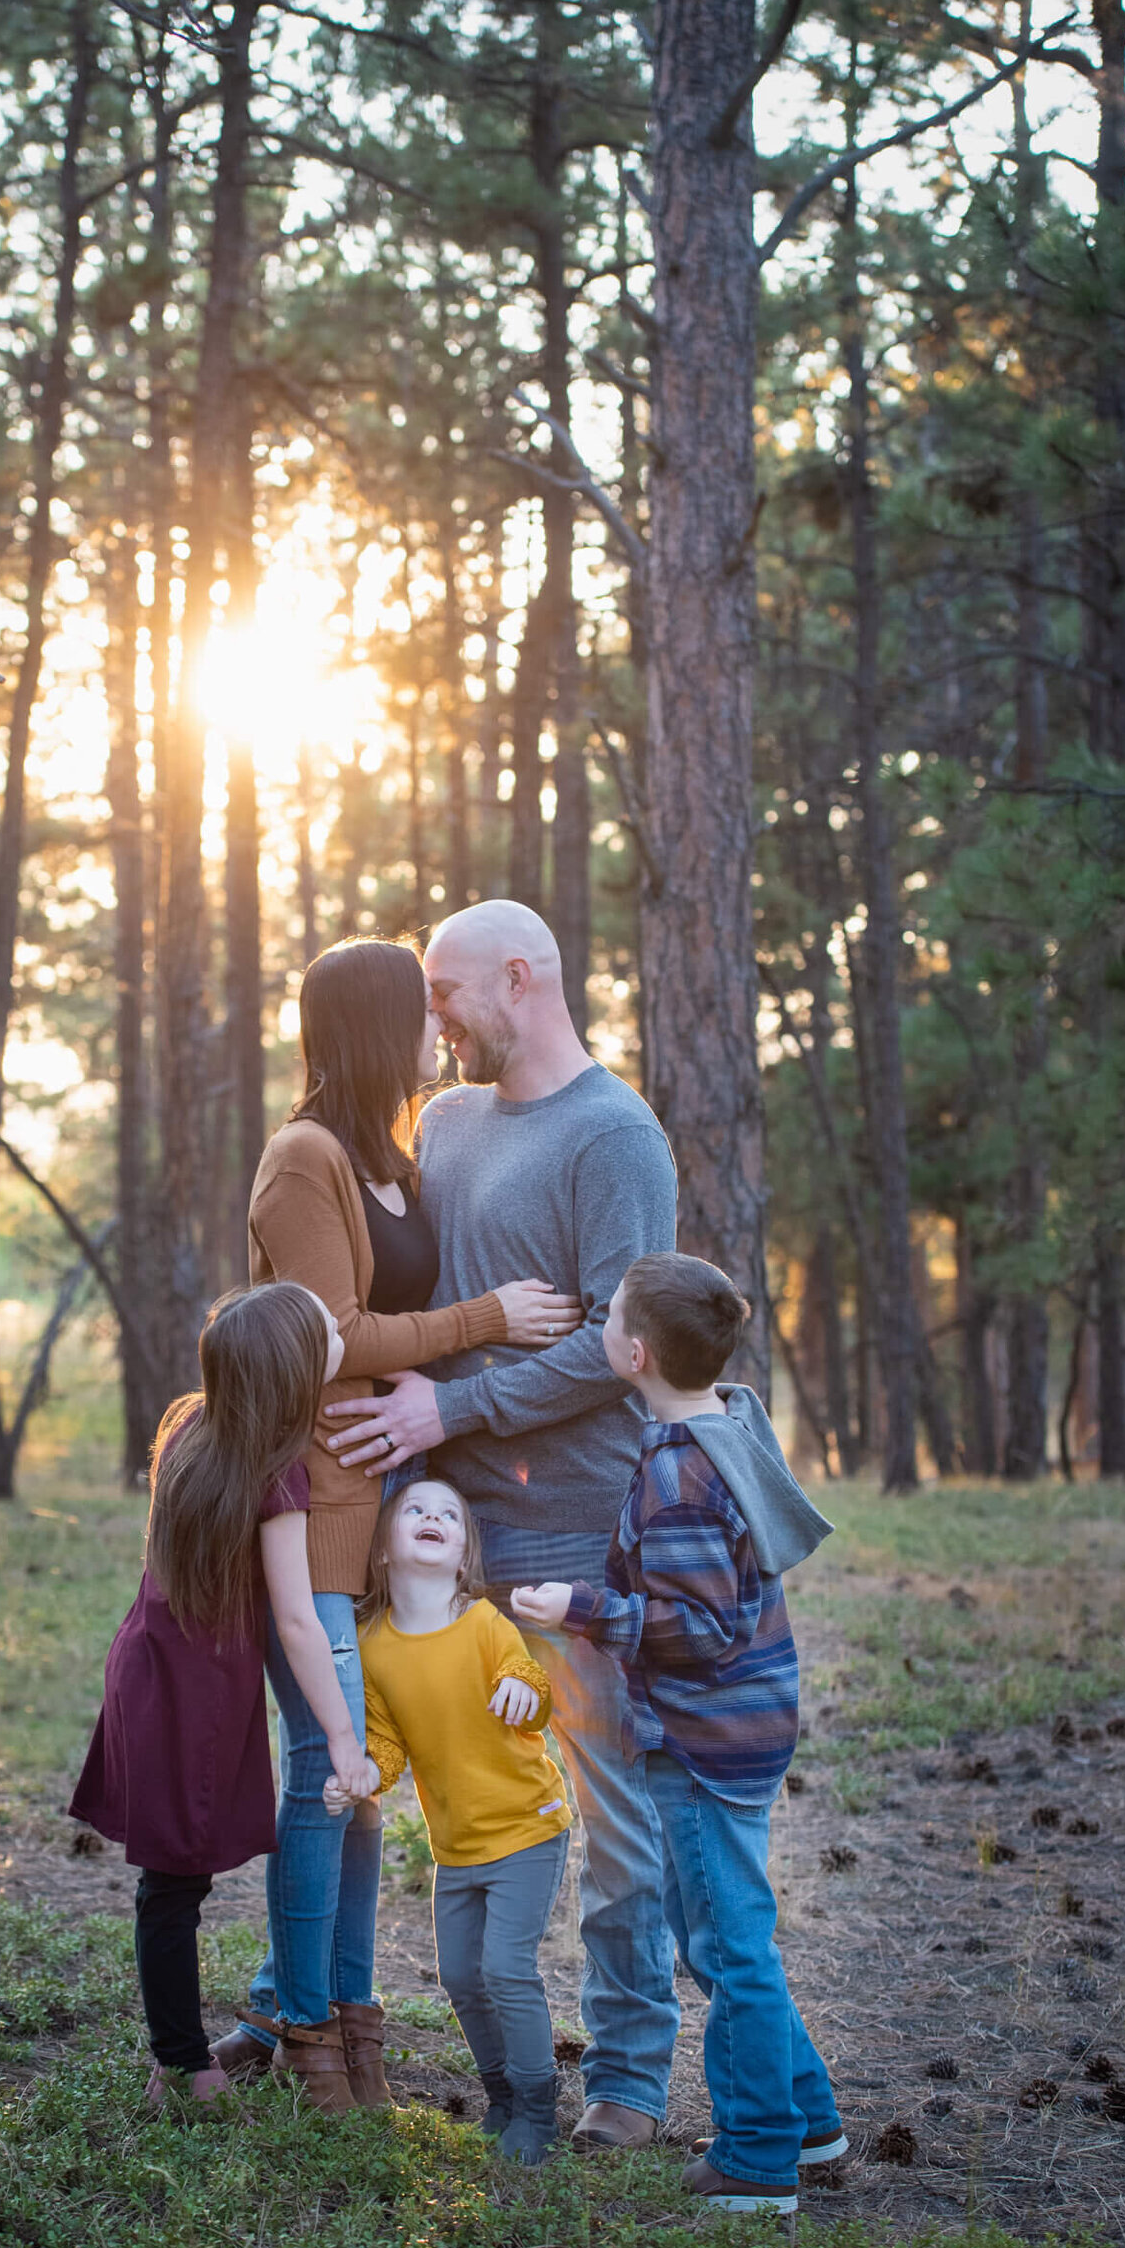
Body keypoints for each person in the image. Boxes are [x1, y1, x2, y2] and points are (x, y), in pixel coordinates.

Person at [323, 899, 684, 2151]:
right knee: (411, 1779)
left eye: (443, 991)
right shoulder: (450, 1119)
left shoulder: (615, 1138)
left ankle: (630, 2079)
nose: (429, 1019)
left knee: (616, 1818)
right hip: (446, 1540)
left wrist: (450, 1405)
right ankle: (312, 2020)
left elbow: (617, 1341)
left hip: (580, 1532)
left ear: (519, 979)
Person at [218, 937, 581, 2104]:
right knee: (328, 1780)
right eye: (420, 1011)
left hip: (374, 1511)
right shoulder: (302, 1160)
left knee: (361, 1789)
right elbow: (329, 1334)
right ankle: (314, 2039)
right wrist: (485, 1319)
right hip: (308, 1506)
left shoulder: (393, 1156)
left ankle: (324, 2020)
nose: (440, 1029)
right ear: (378, 1025)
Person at [513, 1252, 840, 2212]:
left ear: (635, 1351)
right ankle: (809, 2120)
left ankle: (757, 2157)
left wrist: (583, 1605)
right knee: (727, 1933)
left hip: (703, 1741)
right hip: (744, 1726)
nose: (600, 1324)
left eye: (610, 1316)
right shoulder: (725, 1420)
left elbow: (696, 1630)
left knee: (727, 1945)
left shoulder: (677, 1472)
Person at [68, 1283, 379, 2110]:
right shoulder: (279, 1478)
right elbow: (297, 1620)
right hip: (195, 1700)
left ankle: (183, 2056)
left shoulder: (186, 1426)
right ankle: (181, 2065)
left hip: (148, 1668)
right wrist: (343, 1739)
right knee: (173, 1885)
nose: (336, 1336)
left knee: (170, 1881)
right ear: (294, 1373)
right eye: (324, 1334)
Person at [325, 1477, 573, 2162]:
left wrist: (524, 1686)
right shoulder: (372, 1645)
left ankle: (539, 2111)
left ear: (464, 1554)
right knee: (460, 1975)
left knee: (505, 1967)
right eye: (415, 1509)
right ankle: (500, 2098)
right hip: (456, 1846)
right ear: (381, 1549)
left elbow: (530, 1675)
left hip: (528, 1823)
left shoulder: (484, 1622)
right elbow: (387, 1743)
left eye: (448, 1515)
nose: (432, 1516)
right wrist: (364, 1777)